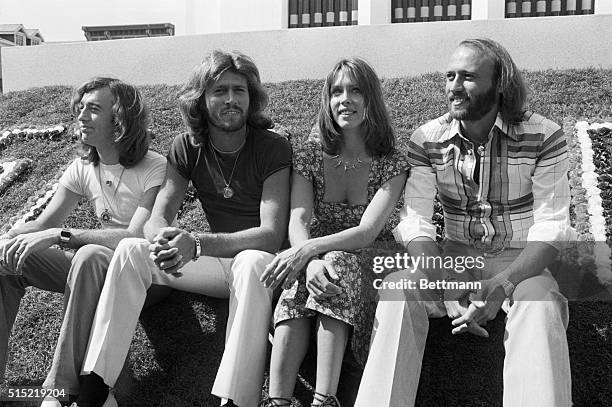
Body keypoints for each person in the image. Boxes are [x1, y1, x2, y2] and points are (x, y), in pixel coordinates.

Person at [60, 50, 291, 407]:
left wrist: (195, 244)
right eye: (219, 91)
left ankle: (235, 399)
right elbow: (158, 215)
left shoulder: (273, 146)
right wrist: (161, 240)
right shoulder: (187, 146)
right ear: (201, 99)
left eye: (239, 90)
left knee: (250, 262)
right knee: (130, 249)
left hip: (263, 267)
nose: (230, 99)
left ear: (251, 97)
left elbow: (271, 234)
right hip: (217, 268)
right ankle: (97, 388)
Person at [355, 38, 574, 407]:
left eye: (468, 77)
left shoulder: (544, 135)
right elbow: (415, 221)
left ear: (499, 84)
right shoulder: (427, 138)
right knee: (396, 286)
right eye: (450, 76)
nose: (454, 86)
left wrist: (503, 284)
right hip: (454, 259)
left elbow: (551, 227)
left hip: (520, 262)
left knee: (538, 299)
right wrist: (443, 279)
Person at [0, 77, 167, 402]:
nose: (81, 116)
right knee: (6, 257)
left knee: (89, 254)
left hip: (147, 273)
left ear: (120, 118)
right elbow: (44, 223)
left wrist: (59, 236)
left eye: (93, 109)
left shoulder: (155, 167)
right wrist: (12, 238)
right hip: (93, 263)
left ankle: (59, 390)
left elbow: (135, 236)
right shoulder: (82, 168)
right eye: (81, 108)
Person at [259, 57, 409, 407]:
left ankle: (325, 399)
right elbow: (298, 221)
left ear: (371, 99)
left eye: (356, 90)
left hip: (370, 259)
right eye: (337, 91)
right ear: (327, 100)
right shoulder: (311, 155)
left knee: (336, 261)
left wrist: (309, 251)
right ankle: (278, 400)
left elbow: (367, 232)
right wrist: (307, 259)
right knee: (300, 277)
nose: (346, 99)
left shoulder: (392, 162)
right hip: (317, 254)